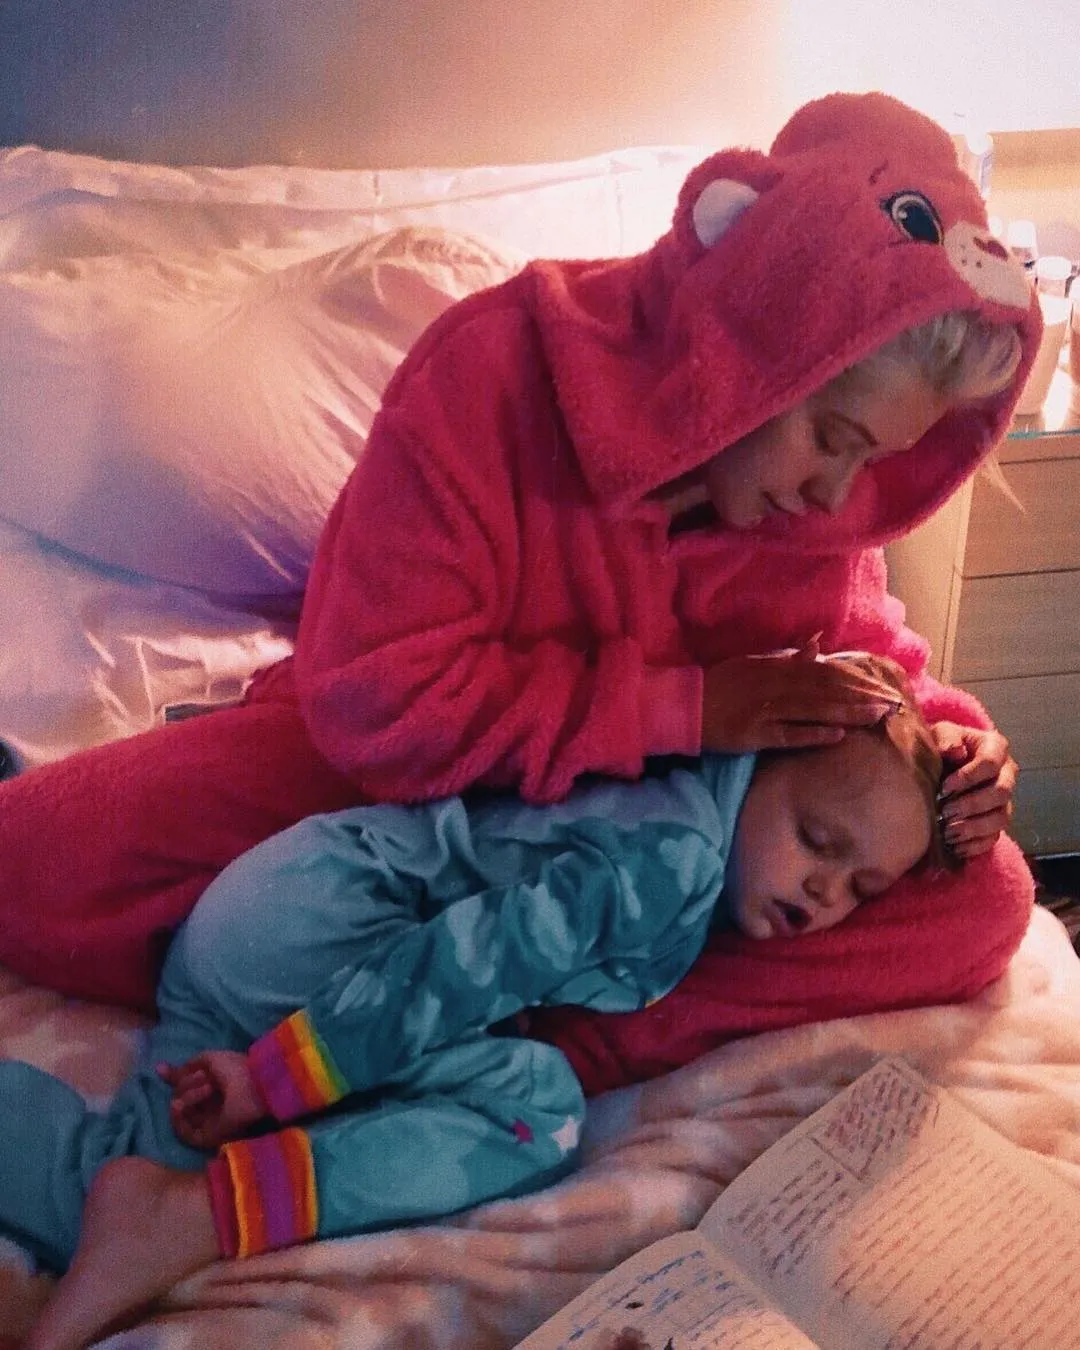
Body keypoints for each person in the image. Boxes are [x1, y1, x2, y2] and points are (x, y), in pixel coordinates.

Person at [0, 93, 1039, 1054]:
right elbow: (375, 701)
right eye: (833, 439)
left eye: (873, 461)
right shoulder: (492, 372)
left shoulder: (823, 502)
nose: (836, 496)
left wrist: (945, 750)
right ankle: (514, 995)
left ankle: (527, 1031)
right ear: (754, 347)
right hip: (414, 796)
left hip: (664, 854)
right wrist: (686, 708)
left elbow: (860, 664)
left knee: (985, 898)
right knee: (34, 860)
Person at [22, 655, 944, 1350]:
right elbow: (459, 966)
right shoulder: (672, 859)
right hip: (324, 939)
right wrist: (275, 1081)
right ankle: (204, 1214)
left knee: (110, 1177)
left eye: (860, 888)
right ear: (762, 761)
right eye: (816, 840)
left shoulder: (679, 805)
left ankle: (137, 1199)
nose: (825, 890)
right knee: (535, 1108)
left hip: (264, 917)